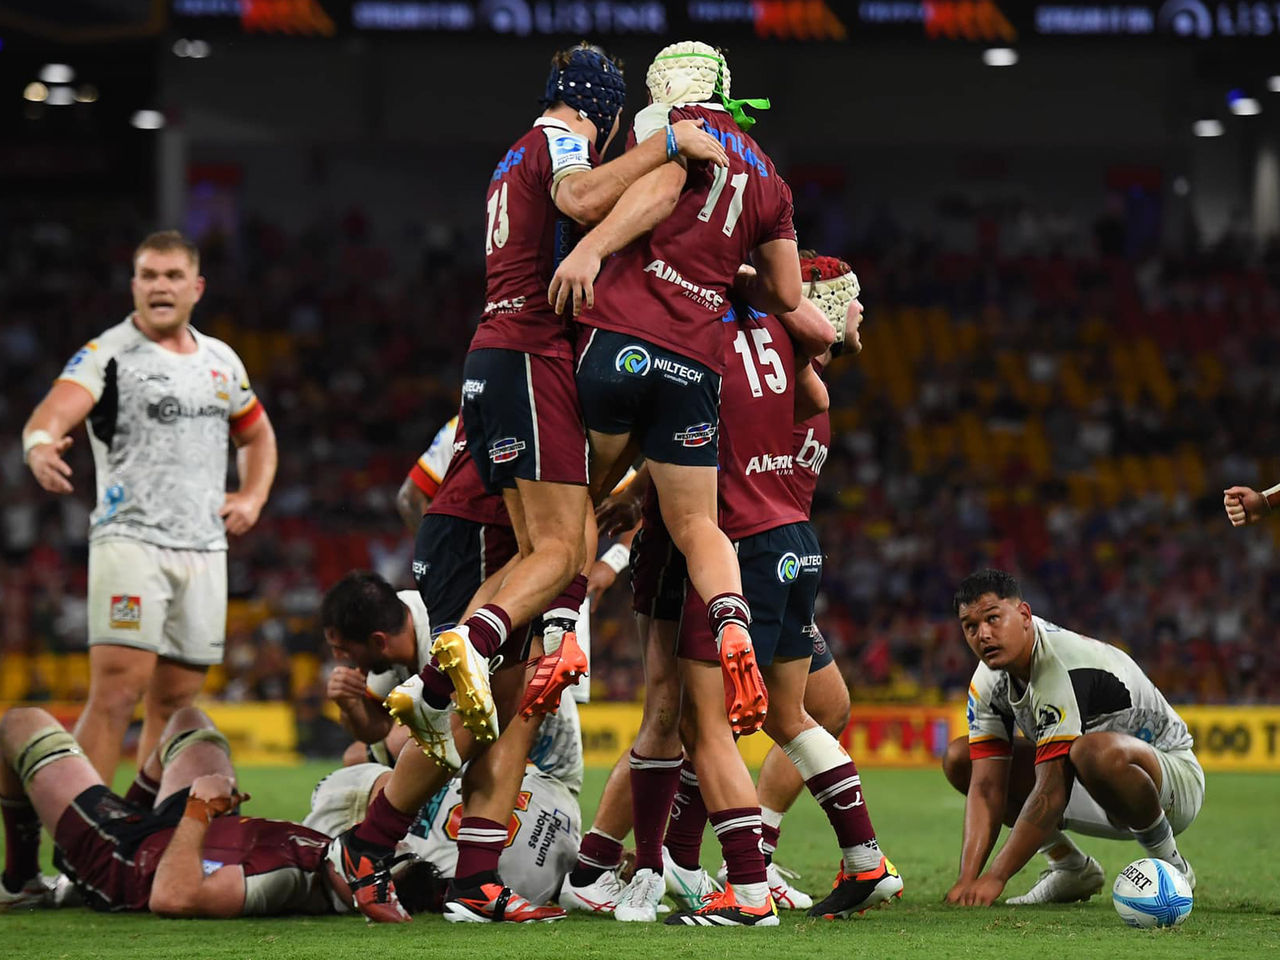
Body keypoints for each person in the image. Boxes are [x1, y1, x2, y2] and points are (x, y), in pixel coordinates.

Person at [383, 41, 730, 926]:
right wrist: (669, 146)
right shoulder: (557, 144)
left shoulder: (511, 158)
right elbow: (579, 196)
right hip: (526, 354)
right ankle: (455, 654)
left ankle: (473, 878)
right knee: (556, 555)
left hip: (495, 359)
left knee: (518, 676)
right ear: (603, 112)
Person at [552, 40, 803, 749]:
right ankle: (732, 622)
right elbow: (786, 292)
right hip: (696, 361)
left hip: (622, 335)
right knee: (699, 527)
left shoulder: (665, 124)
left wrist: (592, 247)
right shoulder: (771, 177)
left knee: (572, 500)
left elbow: (658, 188)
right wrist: (725, 273)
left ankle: (559, 629)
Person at [20, 230, 277, 784]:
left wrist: (252, 495)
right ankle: (83, 842)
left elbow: (257, 437)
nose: (161, 286)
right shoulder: (107, 352)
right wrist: (40, 446)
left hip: (205, 549)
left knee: (177, 700)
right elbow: (51, 413)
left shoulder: (222, 361)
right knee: (116, 689)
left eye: (173, 276)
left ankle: (138, 837)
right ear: (135, 285)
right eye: (150, 276)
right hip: (131, 541)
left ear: (196, 287)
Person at [0, 704, 441, 917]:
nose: (388, 845)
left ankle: (24, 882)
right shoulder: (334, 859)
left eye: (388, 860)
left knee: (21, 725)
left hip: (128, 860)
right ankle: (124, 808)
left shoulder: (283, 882)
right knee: (189, 723)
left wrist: (199, 808)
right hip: (178, 833)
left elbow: (172, 896)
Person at [942, 568, 1203, 907]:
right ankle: (1069, 866)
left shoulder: (1059, 665)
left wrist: (997, 877)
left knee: (1091, 751)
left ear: (1023, 615)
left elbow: (1051, 791)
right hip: (1089, 785)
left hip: (1170, 785)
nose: (984, 635)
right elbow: (988, 787)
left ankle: (1171, 866)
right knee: (962, 759)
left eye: (993, 618)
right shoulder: (989, 681)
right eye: (971, 627)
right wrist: (968, 879)